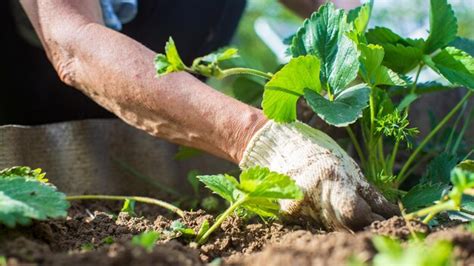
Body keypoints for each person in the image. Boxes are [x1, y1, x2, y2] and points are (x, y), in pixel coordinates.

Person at [1, 0, 397, 231]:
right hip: (28, 148)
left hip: (168, 132)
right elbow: (73, 39)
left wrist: (350, 41)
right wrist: (261, 141)